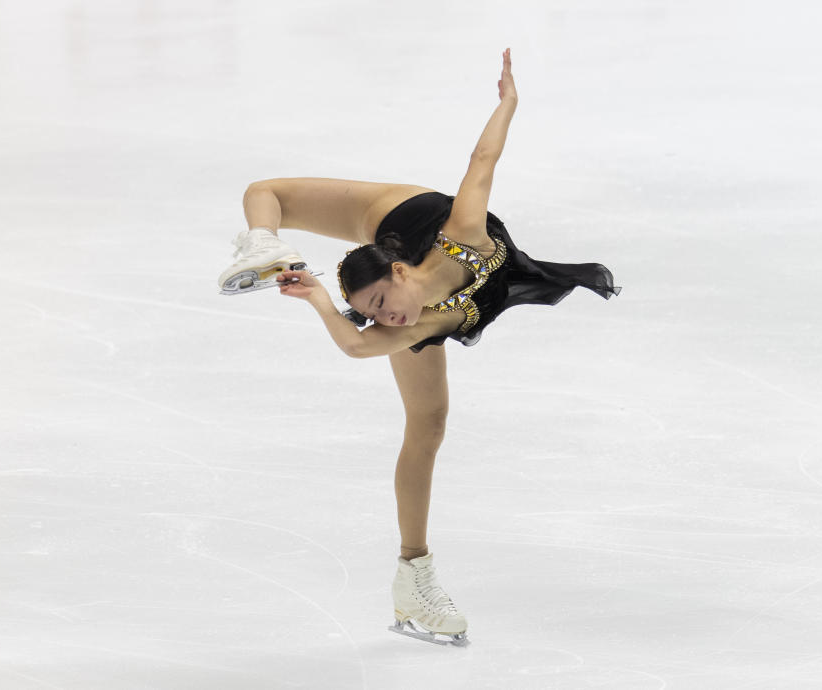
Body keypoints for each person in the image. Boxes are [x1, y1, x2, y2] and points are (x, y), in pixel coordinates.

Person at [217, 48, 620, 646]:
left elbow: (483, 160)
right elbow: (358, 348)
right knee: (427, 424)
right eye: (375, 314)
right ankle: (415, 570)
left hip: (405, 214)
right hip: (402, 265)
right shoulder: (423, 320)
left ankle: (411, 579)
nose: (386, 319)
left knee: (429, 421)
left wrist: (508, 102)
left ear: (400, 269)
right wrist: (324, 302)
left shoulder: (463, 230)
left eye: (382, 304)